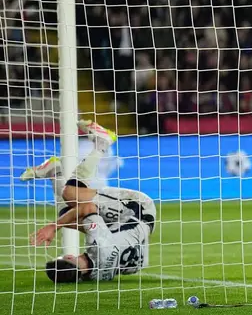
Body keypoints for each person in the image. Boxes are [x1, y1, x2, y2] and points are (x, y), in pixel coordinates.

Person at [25, 120, 156, 283]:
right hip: (139, 210)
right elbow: (88, 207)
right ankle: (103, 142)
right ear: (69, 257)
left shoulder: (96, 275)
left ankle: (54, 171)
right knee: (71, 194)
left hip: (133, 237)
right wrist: (53, 226)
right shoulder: (97, 242)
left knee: (67, 214)